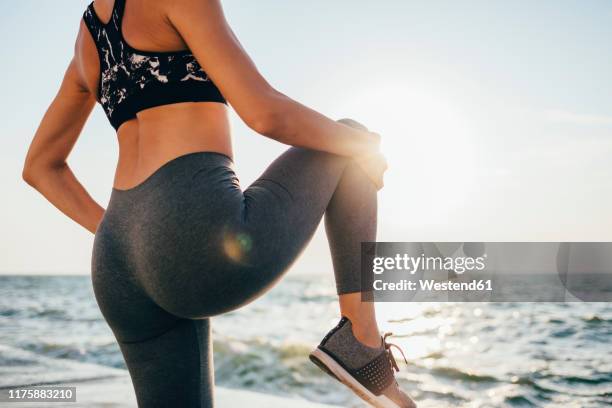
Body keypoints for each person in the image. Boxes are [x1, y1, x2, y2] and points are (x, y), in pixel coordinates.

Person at [22, 1, 416, 407]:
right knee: (347, 135)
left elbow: (39, 168)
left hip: (116, 264)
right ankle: (360, 338)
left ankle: (360, 341)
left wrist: (131, 235)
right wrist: (366, 149)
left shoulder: (87, 38)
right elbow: (265, 114)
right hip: (187, 226)